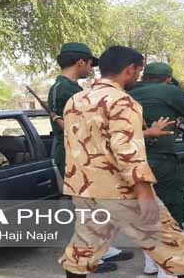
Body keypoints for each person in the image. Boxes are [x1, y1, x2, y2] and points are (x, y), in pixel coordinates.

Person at [59, 46, 184, 278]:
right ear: (129, 69)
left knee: (84, 248)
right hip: (120, 190)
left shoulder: (75, 101)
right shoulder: (122, 101)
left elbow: (89, 143)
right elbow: (126, 149)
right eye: (138, 70)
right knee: (171, 244)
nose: (138, 76)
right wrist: (144, 193)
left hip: (84, 189)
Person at [47, 42, 132, 272]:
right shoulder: (65, 89)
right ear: (80, 62)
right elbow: (76, 126)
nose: (91, 70)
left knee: (98, 206)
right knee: (88, 207)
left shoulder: (71, 88)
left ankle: (103, 249)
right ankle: (91, 258)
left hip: (85, 154)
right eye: (89, 64)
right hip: (76, 156)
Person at [129, 62, 184, 278]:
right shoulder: (170, 91)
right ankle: (168, 268)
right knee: (172, 209)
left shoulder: (126, 92)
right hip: (161, 159)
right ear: (168, 78)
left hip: (131, 159)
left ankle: (150, 262)